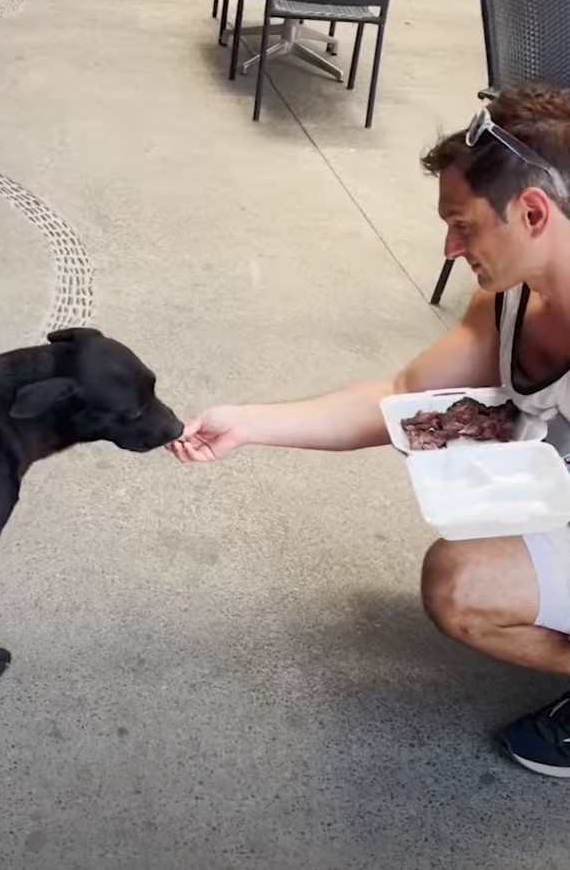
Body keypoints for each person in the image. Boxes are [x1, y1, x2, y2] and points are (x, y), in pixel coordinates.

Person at [167, 83, 570, 778]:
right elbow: (403, 396)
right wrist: (250, 424)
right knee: (460, 581)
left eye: (464, 225)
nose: (447, 246)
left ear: (531, 212)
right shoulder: (507, 295)